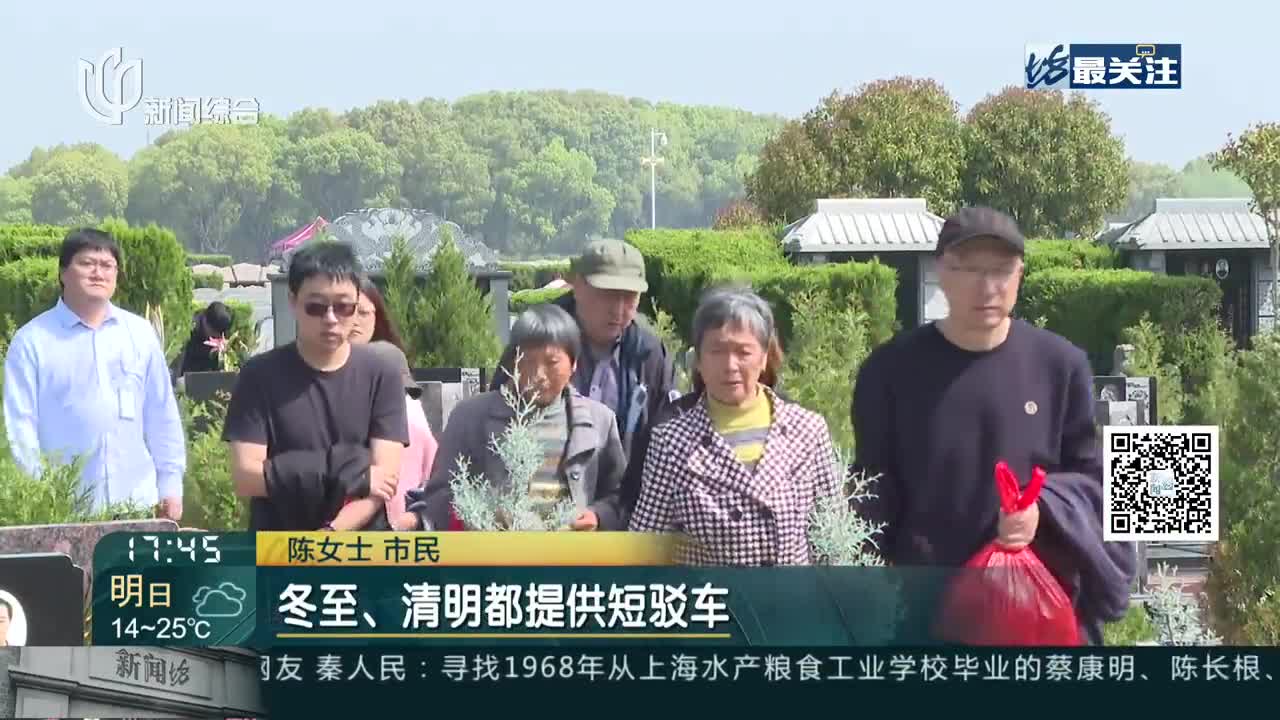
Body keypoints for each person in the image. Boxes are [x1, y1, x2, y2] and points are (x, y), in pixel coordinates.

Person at [850, 206, 1137, 645]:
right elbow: (871, 490)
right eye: (969, 270)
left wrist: (1043, 511)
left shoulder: (1061, 366)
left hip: (1037, 611)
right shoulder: (889, 371)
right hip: (927, 614)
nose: (987, 287)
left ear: (1020, 274)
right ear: (942, 272)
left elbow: (1097, 484)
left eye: (1001, 270)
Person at [628, 287, 840, 565]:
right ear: (698, 361)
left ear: (763, 358)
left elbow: (833, 540)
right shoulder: (671, 442)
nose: (730, 365)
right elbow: (645, 547)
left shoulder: (807, 430)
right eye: (716, 351)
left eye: (743, 352)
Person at [222, 242, 409, 531]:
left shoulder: (382, 374)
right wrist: (351, 472)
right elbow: (247, 477)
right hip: (280, 545)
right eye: (316, 307)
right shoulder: (258, 376)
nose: (331, 319)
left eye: (344, 307)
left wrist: (331, 533)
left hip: (361, 545)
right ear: (293, 302)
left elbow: (383, 481)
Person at [3, 228, 186, 520]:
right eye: (87, 263)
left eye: (107, 265)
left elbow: (161, 412)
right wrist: (40, 501)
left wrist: (170, 485)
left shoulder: (139, 333)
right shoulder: (33, 341)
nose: (98, 273)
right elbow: (20, 427)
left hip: (138, 503)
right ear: (63, 272)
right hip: (65, 509)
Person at [409, 304, 626, 531]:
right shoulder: (469, 417)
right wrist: (481, 515)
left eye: (552, 363)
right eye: (528, 361)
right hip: (496, 550)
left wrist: (597, 515)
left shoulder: (599, 421)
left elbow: (619, 496)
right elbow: (440, 495)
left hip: (571, 550)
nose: (538, 375)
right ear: (513, 362)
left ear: (573, 364)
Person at [513, 239, 677, 519]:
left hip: (624, 514)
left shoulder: (649, 355)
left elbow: (667, 439)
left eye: (630, 297)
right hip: (539, 514)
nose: (619, 310)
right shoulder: (537, 341)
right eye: (608, 295)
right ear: (578, 286)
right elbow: (502, 418)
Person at [173, 301, 235, 379]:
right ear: (205, 322)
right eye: (214, 336)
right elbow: (178, 367)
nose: (217, 339)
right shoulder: (189, 331)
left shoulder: (222, 326)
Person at [349, 275, 408, 351]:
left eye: (363, 313)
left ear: (377, 318)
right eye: (345, 311)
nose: (354, 321)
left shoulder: (391, 357)